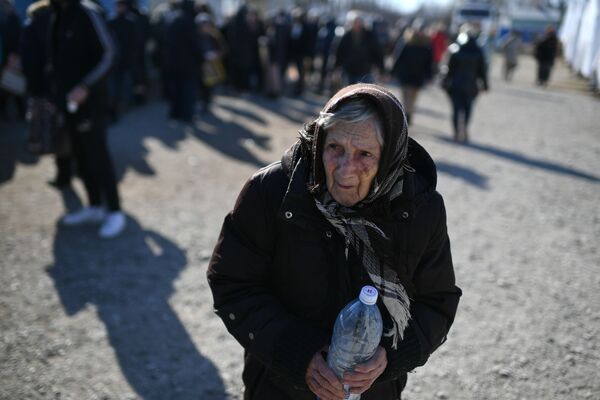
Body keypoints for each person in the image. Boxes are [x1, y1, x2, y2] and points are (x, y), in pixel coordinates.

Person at [207, 83, 461, 400]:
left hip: (373, 391)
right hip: (279, 386)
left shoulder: (418, 207)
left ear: (391, 156)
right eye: (335, 148)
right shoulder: (271, 192)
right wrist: (298, 353)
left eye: (365, 154)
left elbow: (437, 302)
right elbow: (233, 283)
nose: (345, 169)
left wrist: (391, 355)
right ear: (319, 142)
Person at [48, 0, 126, 238]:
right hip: (67, 103)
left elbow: (110, 53)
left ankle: (114, 211)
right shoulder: (57, 14)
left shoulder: (88, 11)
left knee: (97, 155)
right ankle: (94, 206)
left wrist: (86, 86)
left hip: (91, 103)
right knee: (79, 156)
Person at [443, 25, 488, 143]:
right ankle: (465, 128)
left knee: (456, 110)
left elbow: (449, 69)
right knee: (468, 109)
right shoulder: (478, 51)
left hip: (456, 85)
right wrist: (485, 84)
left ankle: (456, 132)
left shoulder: (455, 49)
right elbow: (482, 70)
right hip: (471, 86)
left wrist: (444, 82)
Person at [391, 27, 434, 125]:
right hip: (416, 76)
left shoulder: (408, 45)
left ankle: (407, 113)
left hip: (408, 75)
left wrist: (392, 72)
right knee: (411, 96)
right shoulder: (425, 46)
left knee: (407, 96)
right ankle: (408, 113)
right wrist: (429, 76)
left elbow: (398, 59)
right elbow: (429, 64)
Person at [334, 11, 384, 85]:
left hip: (364, 70)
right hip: (349, 70)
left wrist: (381, 68)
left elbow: (377, 51)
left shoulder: (369, 35)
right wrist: (336, 67)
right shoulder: (346, 35)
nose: (357, 24)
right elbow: (339, 52)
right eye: (355, 22)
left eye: (359, 22)